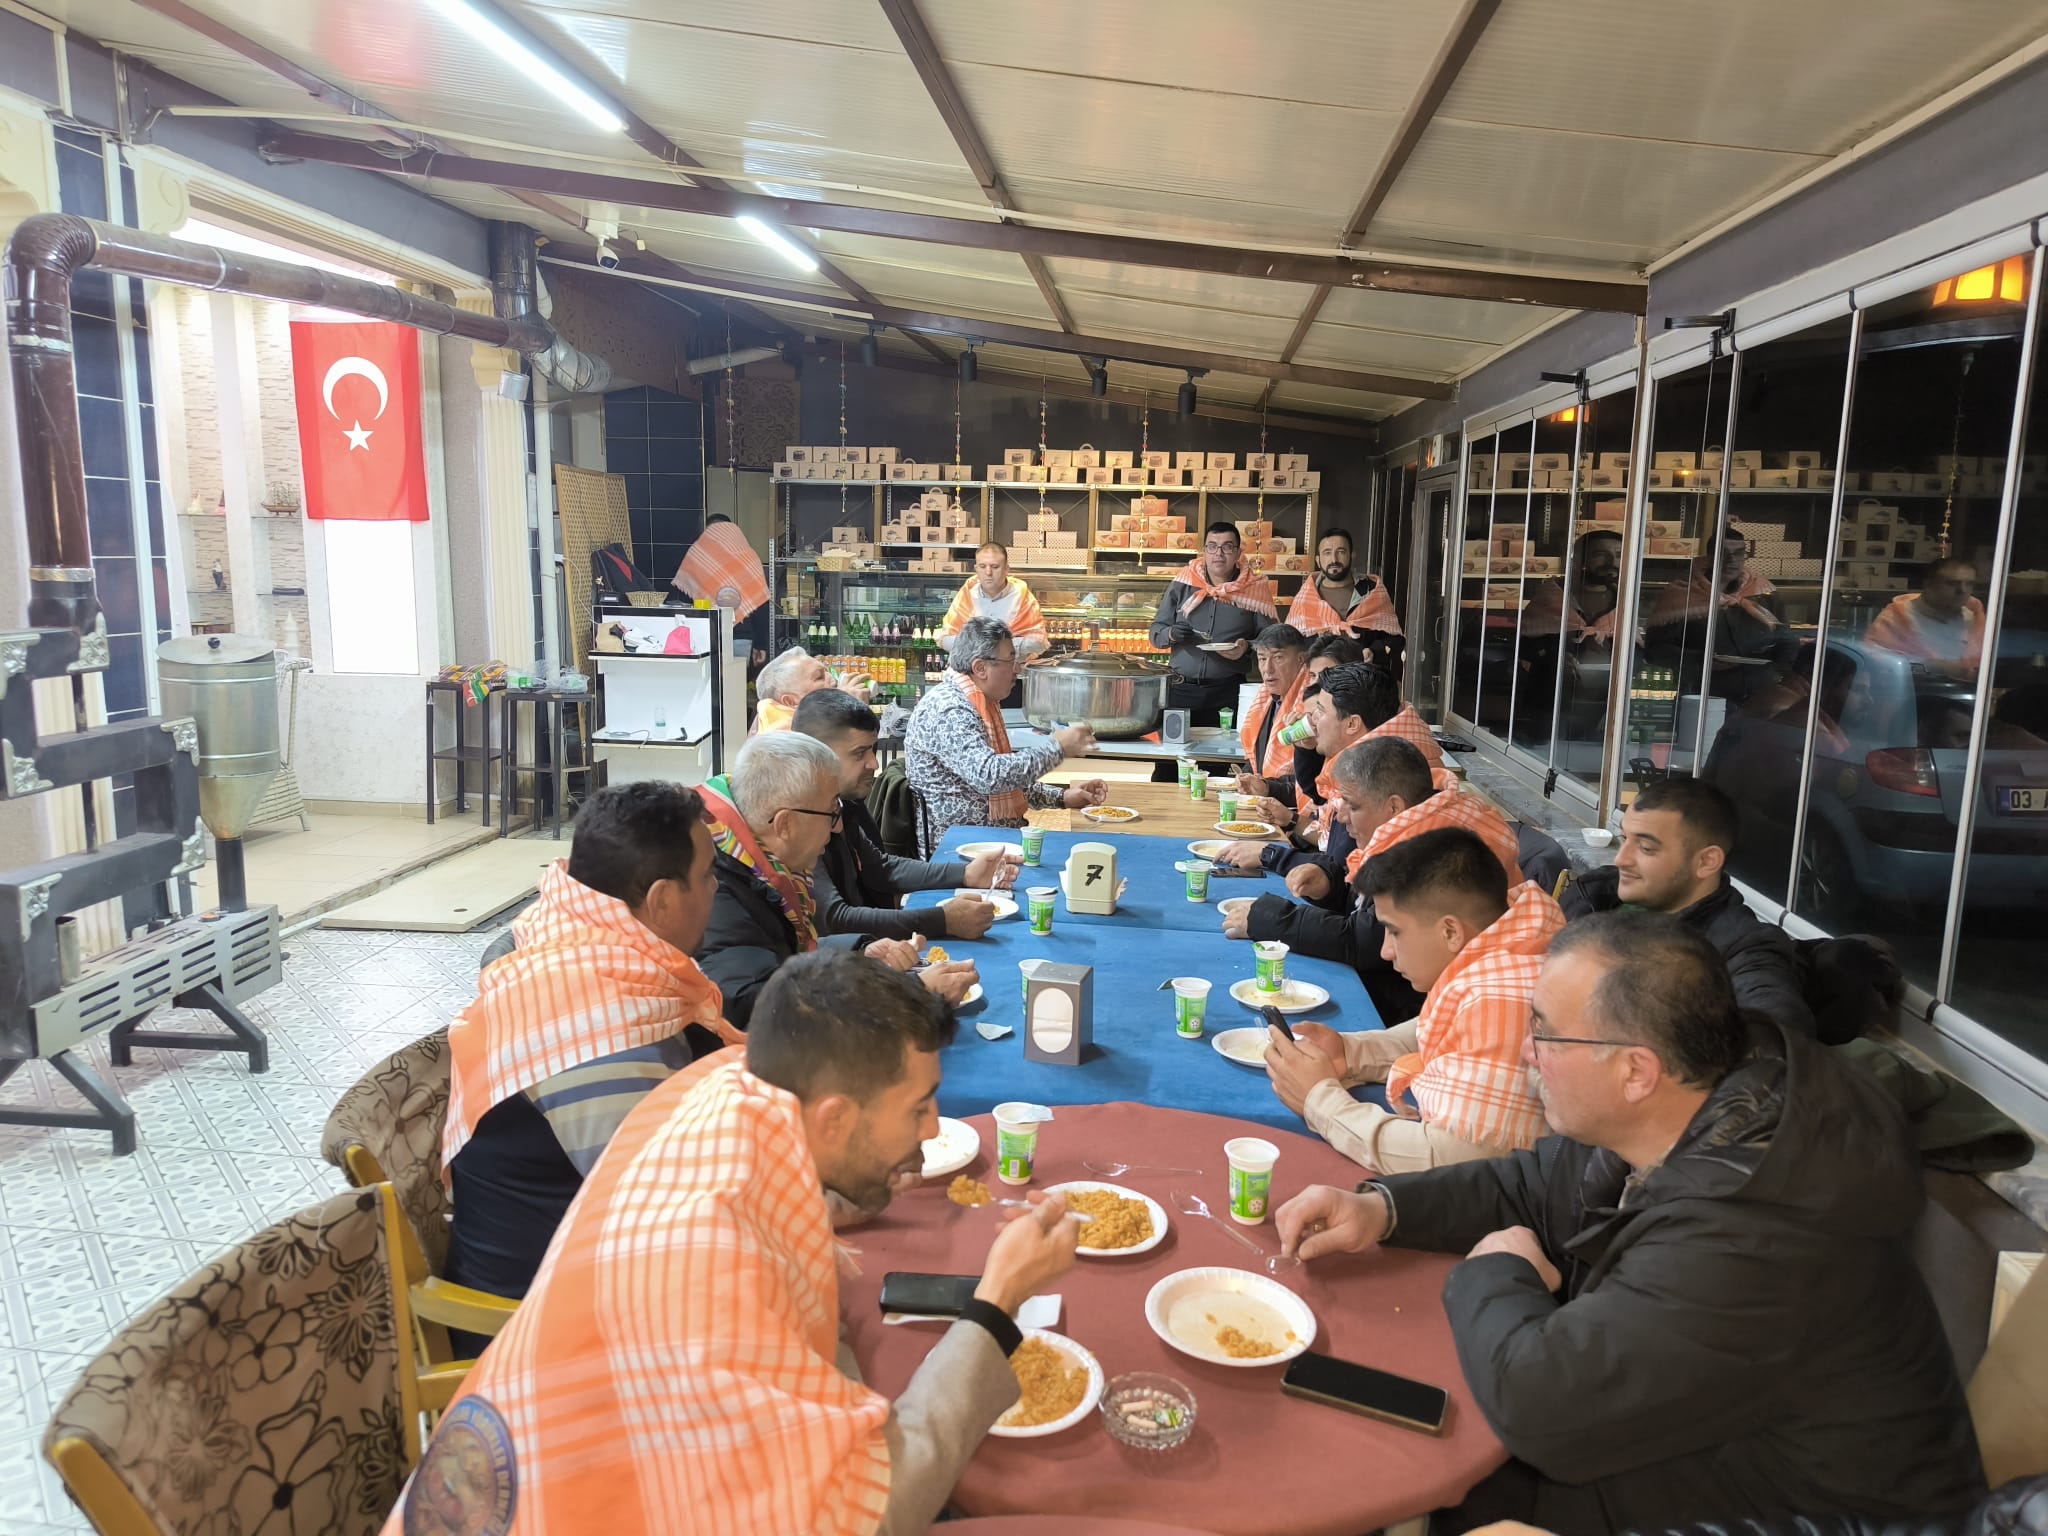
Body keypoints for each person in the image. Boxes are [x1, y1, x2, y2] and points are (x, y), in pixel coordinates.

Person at [1275, 912, 1986, 1534]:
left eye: (1545, 1034)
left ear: (1636, 1071)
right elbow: (1530, 1185)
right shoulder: (1684, 1100)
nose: (1525, 1052)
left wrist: (1497, 1270)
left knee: (1383, 1478)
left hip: (1780, 1510)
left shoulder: (1760, 1225)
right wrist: (1382, 1208)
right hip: (1687, 1448)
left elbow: (1540, 1408)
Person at [390, 951, 1082, 1536]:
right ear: (834, 1119)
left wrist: (864, 1175)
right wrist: (998, 1301)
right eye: (918, 1108)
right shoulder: (714, 1278)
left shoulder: (723, 1081)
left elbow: (779, 1202)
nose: (932, 1131)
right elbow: (871, 1508)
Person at [441, 783, 741, 1305]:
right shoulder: (597, 1029)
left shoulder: (567, 941)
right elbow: (665, 1215)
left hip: (603, 1257)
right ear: (662, 900)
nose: (717, 887)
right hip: (540, 1316)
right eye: (707, 875)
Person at [1265, 826, 1564, 1175]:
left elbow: (1447, 1159)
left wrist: (1319, 1100)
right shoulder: (1509, 945)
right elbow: (1438, 1033)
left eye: (1394, 931)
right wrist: (1350, 1053)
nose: (1385, 951)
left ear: (1450, 931)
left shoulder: (1500, 999)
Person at [1228, 737, 1522, 1022]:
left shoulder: (1434, 846)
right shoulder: (1420, 820)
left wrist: (1271, 919)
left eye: (1352, 805)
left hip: (1412, 1006)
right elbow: (1371, 910)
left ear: (1394, 807)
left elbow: (1366, 942)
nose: (1341, 817)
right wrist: (1330, 886)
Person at [699, 733, 977, 1030]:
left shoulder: (754, 856)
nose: (837, 826)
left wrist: (857, 951)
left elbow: (784, 951)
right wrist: (913, 995)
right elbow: (760, 1012)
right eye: (831, 812)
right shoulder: (714, 886)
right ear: (785, 824)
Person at [1560, 777, 1813, 1035]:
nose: (1621, 859)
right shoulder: (1596, 895)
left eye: (1646, 848)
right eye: (1624, 838)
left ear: (1706, 861)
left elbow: (1778, 1036)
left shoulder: (1741, 948)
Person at [793, 689, 1021, 947]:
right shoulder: (798, 820)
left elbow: (880, 868)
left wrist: (966, 873)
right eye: (859, 753)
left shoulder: (844, 803)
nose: (874, 764)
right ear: (816, 754)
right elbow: (834, 920)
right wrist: (943, 920)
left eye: (872, 750)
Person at [1222, 664, 1454, 893]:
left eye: (1321, 710)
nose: (1312, 720)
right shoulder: (1378, 748)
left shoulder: (1381, 769)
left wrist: (1270, 855)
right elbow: (1318, 793)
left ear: (1352, 723)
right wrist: (1306, 748)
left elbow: (1344, 873)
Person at [903, 617, 1106, 847]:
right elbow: (989, 776)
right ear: (980, 668)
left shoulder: (977, 701)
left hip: (988, 840)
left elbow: (1005, 781)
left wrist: (1062, 797)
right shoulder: (950, 708)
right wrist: (1057, 748)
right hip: (961, 849)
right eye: (1010, 660)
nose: (1017, 669)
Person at [1148, 521, 1275, 728]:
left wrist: (1247, 647)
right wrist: (1171, 634)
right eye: (1212, 546)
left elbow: (1271, 640)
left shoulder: (1254, 589)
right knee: (1175, 748)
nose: (1219, 554)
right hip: (1180, 690)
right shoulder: (1183, 583)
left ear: (1238, 553)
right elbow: (1156, 632)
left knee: (1226, 748)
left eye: (1227, 547)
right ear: (1204, 551)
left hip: (1228, 692)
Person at [1644, 528, 1792, 701]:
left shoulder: (1762, 592)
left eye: (1739, 553)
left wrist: (1780, 670)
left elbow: (1786, 638)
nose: (1732, 560)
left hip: (1761, 695)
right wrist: (1700, 660)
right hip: (1703, 695)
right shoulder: (1682, 594)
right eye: (1723, 553)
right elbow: (1655, 650)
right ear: (1710, 556)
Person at [673, 513, 772, 669]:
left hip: (704, 636)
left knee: (709, 682)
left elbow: (684, 602)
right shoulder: (749, 558)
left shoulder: (696, 558)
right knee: (735, 682)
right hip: (742, 635)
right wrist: (761, 644)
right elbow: (760, 605)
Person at [1866, 556, 1985, 675]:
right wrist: (1932, 666)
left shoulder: (1975, 620)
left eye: (1969, 584)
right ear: (1928, 584)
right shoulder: (1895, 619)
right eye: (1952, 583)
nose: (1962, 590)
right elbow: (1873, 661)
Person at [1286, 527, 1403, 642]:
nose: (1334, 560)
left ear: (1352, 555)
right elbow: (1290, 642)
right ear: (1318, 560)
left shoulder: (1371, 590)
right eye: (1327, 553)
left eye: (1341, 552)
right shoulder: (1306, 597)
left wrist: (1373, 651)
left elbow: (1394, 639)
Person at [938, 543, 1050, 660]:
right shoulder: (966, 594)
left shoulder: (1022, 596)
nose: (988, 573)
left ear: (1006, 569)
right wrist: (989, 646)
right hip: (972, 669)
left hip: (1013, 669)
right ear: (976, 569)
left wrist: (996, 647)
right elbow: (945, 639)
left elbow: (1039, 642)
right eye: (982, 566)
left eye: (995, 567)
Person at [1520, 530, 1623, 647]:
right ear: (1580, 559)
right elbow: (1527, 641)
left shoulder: (1625, 603)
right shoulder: (1552, 598)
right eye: (1601, 555)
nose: (1612, 562)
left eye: (1619, 555)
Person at [1238, 623, 1313, 783]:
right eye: (1262, 659)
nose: (1267, 669)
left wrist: (1267, 787)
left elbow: (1312, 778)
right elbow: (1258, 760)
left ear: (1301, 659)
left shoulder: (1312, 703)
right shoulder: (1266, 699)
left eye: (1278, 658)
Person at [754, 645, 841, 733]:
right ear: (790, 702)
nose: (833, 681)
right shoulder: (786, 734)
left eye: (827, 671)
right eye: (819, 677)